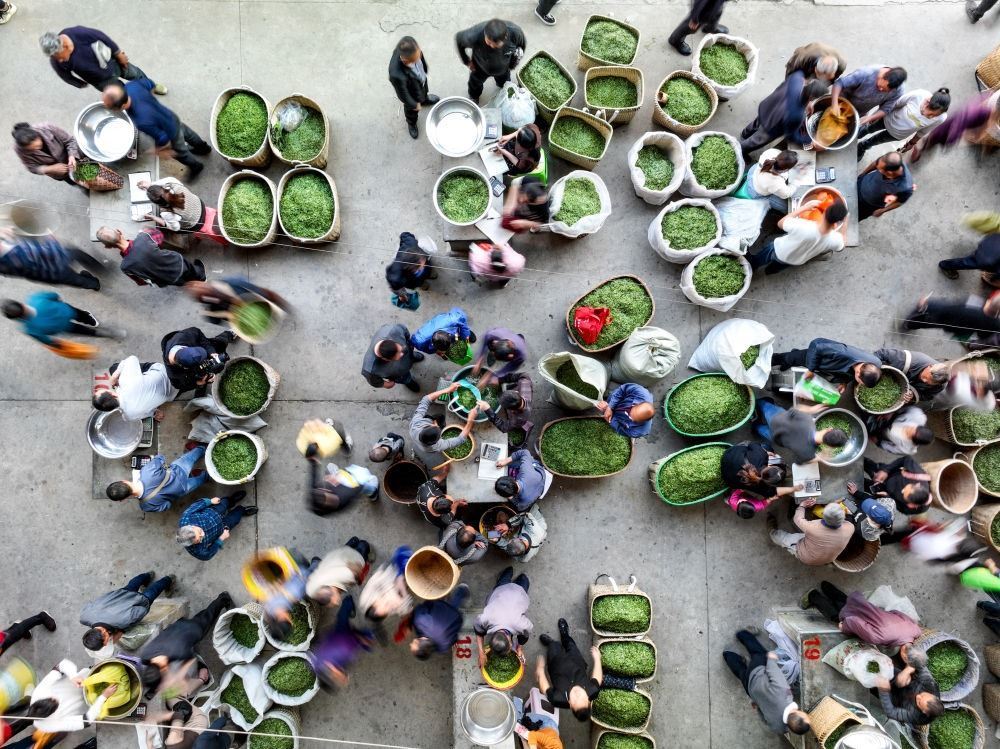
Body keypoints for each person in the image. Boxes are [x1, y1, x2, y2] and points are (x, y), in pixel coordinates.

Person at [102, 82, 209, 177]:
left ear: (122, 106)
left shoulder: (140, 121)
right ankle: (204, 148)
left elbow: (163, 138)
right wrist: (150, 102)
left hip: (171, 133)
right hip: (170, 116)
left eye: (110, 107)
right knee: (188, 133)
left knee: (181, 153)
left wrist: (159, 151)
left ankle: (196, 167)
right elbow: (151, 84)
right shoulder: (132, 86)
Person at [722, 630, 811, 735]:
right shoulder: (778, 729)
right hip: (751, 691)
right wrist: (758, 706)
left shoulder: (784, 693)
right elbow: (763, 718)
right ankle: (728, 655)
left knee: (758, 652)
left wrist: (771, 659)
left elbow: (773, 671)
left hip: (756, 673)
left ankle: (742, 634)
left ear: (798, 712)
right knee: (741, 672)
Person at [7, 660, 113, 749]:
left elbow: (60, 666)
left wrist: (73, 675)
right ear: (51, 714)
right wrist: (104, 696)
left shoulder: (39, 693)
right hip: (88, 700)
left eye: (51, 699)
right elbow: (87, 720)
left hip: (82, 679)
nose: (56, 698)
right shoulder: (52, 725)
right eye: (56, 703)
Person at [139, 593, 233, 688]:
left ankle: (223, 598)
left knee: (208, 617)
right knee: (200, 618)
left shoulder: (180, 652)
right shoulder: (145, 656)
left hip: (193, 630)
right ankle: (210, 609)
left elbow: (190, 660)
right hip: (176, 627)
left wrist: (179, 676)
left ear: (163, 673)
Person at [41, 26, 162, 92]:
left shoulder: (77, 33)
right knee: (123, 93)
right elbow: (65, 76)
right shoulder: (55, 60)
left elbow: (102, 37)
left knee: (135, 74)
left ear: (64, 46)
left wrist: (119, 54)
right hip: (100, 81)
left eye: (59, 57)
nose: (59, 61)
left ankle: (151, 86)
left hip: (114, 63)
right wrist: (79, 83)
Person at [80, 572, 175, 656]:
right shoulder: (84, 617)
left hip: (140, 600)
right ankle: (148, 575)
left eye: (104, 643)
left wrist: (122, 631)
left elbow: (142, 610)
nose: (106, 645)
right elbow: (91, 605)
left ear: (104, 633)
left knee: (153, 591)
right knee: (133, 584)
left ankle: (168, 579)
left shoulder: (124, 620)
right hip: (120, 593)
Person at [800, 581, 921, 646]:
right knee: (837, 616)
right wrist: (844, 627)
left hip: (870, 610)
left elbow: (896, 612)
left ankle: (826, 587)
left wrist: (881, 617)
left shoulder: (916, 630)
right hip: (857, 618)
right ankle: (813, 596)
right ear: (904, 655)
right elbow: (853, 621)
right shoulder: (880, 637)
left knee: (850, 602)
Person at [749, 200, 847, 275]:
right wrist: (845, 223)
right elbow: (841, 246)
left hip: (780, 250)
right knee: (779, 266)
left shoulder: (803, 225)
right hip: (796, 260)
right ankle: (770, 271)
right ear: (836, 224)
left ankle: (752, 265)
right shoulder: (836, 239)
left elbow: (780, 223)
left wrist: (804, 207)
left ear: (824, 213)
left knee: (763, 257)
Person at [739, 73, 827, 155]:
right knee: (755, 141)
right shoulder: (797, 114)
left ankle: (745, 133)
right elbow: (791, 135)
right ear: (811, 97)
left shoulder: (797, 78)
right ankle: (740, 150)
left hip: (768, 108)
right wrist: (809, 141)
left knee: (756, 123)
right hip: (772, 127)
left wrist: (808, 102)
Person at [3, 293, 118, 355]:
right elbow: (55, 296)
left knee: (84, 331)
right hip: (68, 311)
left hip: (66, 328)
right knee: (81, 315)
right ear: (21, 304)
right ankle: (91, 321)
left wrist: (59, 346)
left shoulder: (29, 329)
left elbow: (48, 341)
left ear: (17, 319)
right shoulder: (36, 299)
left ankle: (99, 333)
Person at [105, 445, 208, 512]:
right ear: (124, 481)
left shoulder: (146, 506)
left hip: (182, 489)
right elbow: (160, 458)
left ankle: (205, 475)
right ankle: (203, 449)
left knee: (199, 480)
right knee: (191, 457)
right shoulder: (147, 471)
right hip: (179, 470)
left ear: (123, 500)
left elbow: (167, 505)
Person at [535, 618, 602, 721]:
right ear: (588, 700)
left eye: (575, 700)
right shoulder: (593, 691)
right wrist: (597, 659)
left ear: (570, 705)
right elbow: (597, 678)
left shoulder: (558, 699)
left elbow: (545, 689)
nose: (577, 695)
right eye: (582, 698)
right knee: (570, 644)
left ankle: (550, 643)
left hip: (556, 663)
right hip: (576, 660)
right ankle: (564, 634)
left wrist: (540, 670)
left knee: (554, 647)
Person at [96, 225, 205, 287]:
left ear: (108, 247)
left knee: (182, 282)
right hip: (177, 263)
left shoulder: (125, 267)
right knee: (193, 270)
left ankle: (190, 284)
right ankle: (201, 277)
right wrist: (145, 231)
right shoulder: (143, 238)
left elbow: (141, 282)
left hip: (168, 279)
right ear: (119, 232)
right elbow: (159, 235)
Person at [857, 88, 950, 159]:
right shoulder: (919, 95)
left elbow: (923, 131)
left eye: (933, 115)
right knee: (869, 128)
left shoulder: (941, 118)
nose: (928, 116)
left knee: (875, 141)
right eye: (930, 112)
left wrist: (912, 143)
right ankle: (856, 135)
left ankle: (862, 146)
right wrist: (876, 115)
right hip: (886, 120)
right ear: (928, 101)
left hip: (896, 135)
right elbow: (896, 103)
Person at [409, 385, 477, 476]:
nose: (436, 424)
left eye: (435, 426)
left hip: (424, 425)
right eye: (437, 427)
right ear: (437, 441)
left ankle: (439, 420)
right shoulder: (436, 447)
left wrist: (448, 389)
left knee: (439, 417)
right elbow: (460, 439)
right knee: (440, 419)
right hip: (425, 444)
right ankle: (441, 422)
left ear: (426, 426)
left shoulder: (416, 423)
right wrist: (470, 420)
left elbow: (426, 399)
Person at [0, 230, 101, 291]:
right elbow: (47, 253)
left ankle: (91, 281)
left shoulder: (3, 264)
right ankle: (95, 282)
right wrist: (51, 240)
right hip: (54, 268)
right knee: (77, 256)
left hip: (45, 275)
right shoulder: (20, 255)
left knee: (75, 278)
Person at [310, 594, 374, 689]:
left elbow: (355, 638)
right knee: (341, 620)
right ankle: (347, 602)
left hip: (343, 637)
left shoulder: (345, 649)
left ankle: (372, 630)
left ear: (333, 675)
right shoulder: (317, 665)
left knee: (366, 638)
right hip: (332, 638)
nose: (345, 680)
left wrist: (364, 640)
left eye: (340, 680)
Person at [754, 399, 847, 463]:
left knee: (766, 407)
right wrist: (820, 458)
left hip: (776, 418)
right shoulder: (808, 452)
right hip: (777, 438)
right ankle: (756, 425)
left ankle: (757, 402)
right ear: (829, 445)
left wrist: (811, 409)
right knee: (762, 430)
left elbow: (794, 409)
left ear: (829, 429)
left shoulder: (807, 420)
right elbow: (800, 462)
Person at [910, 92, 996, 162]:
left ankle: (924, 145)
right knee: (936, 137)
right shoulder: (984, 113)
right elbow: (968, 126)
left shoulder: (986, 98)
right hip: (953, 127)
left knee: (937, 135)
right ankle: (921, 147)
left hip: (954, 121)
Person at [455, 19, 526, 103]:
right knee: (475, 84)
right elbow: (459, 39)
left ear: (506, 37)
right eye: (489, 42)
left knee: (504, 83)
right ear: (485, 34)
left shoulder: (515, 33)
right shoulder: (474, 35)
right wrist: (466, 61)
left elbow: (522, 45)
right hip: (480, 67)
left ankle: (503, 87)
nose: (492, 46)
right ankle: (474, 97)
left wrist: (513, 62)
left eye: (496, 45)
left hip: (504, 68)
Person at [475, 566, 533, 668]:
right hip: (501, 591)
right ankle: (513, 573)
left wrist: (519, 649)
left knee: (521, 583)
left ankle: (519, 576)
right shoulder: (486, 618)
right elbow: (478, 631)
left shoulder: (520, 624)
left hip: (517, 592)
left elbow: (526, 633)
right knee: (503, 582)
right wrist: (481, 653)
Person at [768, 499, 854, 565]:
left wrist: (802, 506)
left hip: (806, 556)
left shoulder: (813, 527)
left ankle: (772, 532)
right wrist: (846, 512)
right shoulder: (850, 527)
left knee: (783, 538)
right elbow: (849, 517)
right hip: (827, 559)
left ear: (822, 515)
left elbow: (797, 519)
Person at [92, 355, 177, 422]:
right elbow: (132, 359)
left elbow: (150, 413)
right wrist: (114, 376)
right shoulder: (126, 381)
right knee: (114, 368)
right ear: (112, 394)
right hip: (166, 373)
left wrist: (154, 413)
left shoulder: (128, 417)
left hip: (173, 393)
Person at [773, 337, 883, 387]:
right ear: (858, 373)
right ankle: (776, 359)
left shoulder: (876, 363)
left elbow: (849, 374)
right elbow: (816, 345)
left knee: (799, 360)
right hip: (818, 354)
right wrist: (811, 370)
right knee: (790, 358)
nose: (859, 384)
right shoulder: (842, 352)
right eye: (860, 382)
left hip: (828, 365)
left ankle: (795, 356)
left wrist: (844, 383)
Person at [176, 493, 256, 561]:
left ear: (190, 526)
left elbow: (197, 506)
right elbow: (207, 555)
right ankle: (242, 510)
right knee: (234, 519)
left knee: (225, 502)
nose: (203, 534)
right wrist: (220, 539)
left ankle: (232, 500)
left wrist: (210, 501)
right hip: (221, 529)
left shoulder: (186, 517)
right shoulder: (196, 550)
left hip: (214, 511)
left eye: (199, 531)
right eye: (199, 539)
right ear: (191, 544)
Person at [358, 547, 413, 644]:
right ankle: (377, 628)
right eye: (387, 607)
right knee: (376, 620)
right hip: (396, 585)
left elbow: (381, 575)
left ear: (374, 603)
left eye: (383, 605)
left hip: (390, 572)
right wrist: (403, 592)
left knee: (401, 557)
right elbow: (406, 607)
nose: (387, 605)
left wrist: (398, 577)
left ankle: (376, 627)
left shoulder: (366, 597)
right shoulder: (390, 607)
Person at [876, 648, 944, 726]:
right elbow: (921, 666)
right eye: (923, 695)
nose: (918, 696)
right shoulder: (931, 686)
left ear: (924, 711)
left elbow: (891, 712)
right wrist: (909, 668)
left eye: (919, 702)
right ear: (933, 695)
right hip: (905, 683)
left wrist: (884, 690)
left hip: (895, 699)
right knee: (884, 667)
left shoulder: (915, 716)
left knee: (876, 687)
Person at [388, 36, 440, 140]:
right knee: (411, 110)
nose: (420, 55)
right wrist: (413, 104)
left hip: (420, 80)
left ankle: (424, 99)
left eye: (419, 53)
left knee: (423, 91)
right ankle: (411, 123)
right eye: (417, 58)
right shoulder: (396, 74)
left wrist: (424, 70)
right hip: (411, 92)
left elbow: (419, 55)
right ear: (406, 61)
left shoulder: (411, 46)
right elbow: (403, 93)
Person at [902, 291, 1000, 344]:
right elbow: (983, 335)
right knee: (935, 323)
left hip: (946, 318)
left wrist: (928, 303)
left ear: (990, 301)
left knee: (928, 321)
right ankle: (911, 324)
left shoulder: (971, 304)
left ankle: (909, 324)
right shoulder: (995, 324)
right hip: (956, 328)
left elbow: (947, 308)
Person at [185, 277, 289, 326]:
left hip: (249, 296)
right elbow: (216, 318)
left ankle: (281, 309)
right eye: (204, 296)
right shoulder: (210, 301)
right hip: (237, 309)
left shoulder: (234, 284)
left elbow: (264, 293)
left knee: (266, 297)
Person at [160, 327, 235, 393]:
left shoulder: (186, 336)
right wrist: (198, 383)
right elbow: (177, 385)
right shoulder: (174, 374)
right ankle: (202, 386)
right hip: (195, 374)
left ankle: (230, 334)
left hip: (199, 347)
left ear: (186, 348)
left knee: (218, 342)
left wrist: (211, 352)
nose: (206, 361)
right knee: (203, 378)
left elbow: (198, 334)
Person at [721, 441, 800, 501]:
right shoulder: (759, 485)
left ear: (770, 466)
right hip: (728, 479)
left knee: (766, 446)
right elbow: (773, 492)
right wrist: (794, 489)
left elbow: (752, 444)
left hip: (728, 455)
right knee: (768, 447)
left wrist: (765, 452)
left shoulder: (760, 455)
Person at [306, 538, 372, 608]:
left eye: (336, 602)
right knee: (344, 551)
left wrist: (356, 577)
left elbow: (357, 568)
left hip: (351, 557)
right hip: (336, 556)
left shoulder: (347, 574)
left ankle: (363, 545)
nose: (338, 602)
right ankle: (353, 541)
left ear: (332, 591)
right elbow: (310, 590)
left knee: (361, 551)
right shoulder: (311, 589)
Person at [408, 584, 469, 659]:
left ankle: (463, 589)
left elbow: (455, 637)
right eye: (414, 642)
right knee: (439, 598)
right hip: (440, 606)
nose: (410, 644)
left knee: (455, 603)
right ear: (422, 639)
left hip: (455, 617)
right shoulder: (420, 620)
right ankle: (447, 589)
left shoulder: (443, 648)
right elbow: (420, 608)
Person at [831, 65, 907, 126]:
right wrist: (834, 104)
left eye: (884, 90)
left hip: (859, 111)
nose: (880, 90)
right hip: (841, 100)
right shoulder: (866, 73)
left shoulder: (898, 91)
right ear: (883, 76)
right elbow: (839, 83)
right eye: (879, 86)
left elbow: (886, 109)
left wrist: (870, 118)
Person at [11, 122, 82, 185]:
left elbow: (70, 141)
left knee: (85, 173)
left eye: (38, 146)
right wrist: (50, 169)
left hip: (76, 159)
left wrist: (72, 155)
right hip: (61, 173)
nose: (37, 149)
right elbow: (31, 167)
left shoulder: (48, 128)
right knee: (74, 181)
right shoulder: (19, 149)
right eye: (32, 149)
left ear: (38, 136)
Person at [138, 176, 211, 236]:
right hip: (200, 204)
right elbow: (160, 186)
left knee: (172, 229)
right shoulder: (172, 181)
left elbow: (175, 228)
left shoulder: (166, 213)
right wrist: (150, 186)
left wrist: (153, 217)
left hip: (197, 223)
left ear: (158, 204)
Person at [362, 322, 424, 391]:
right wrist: (387, 384)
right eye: (398, 356)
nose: (402, 354)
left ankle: (412, 357)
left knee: (408, 352)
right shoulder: (369, 369)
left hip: (408, 355)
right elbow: (375, 381)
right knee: (405, 378)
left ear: (390, 340)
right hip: (399, 375)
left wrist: (410, 346)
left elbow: (405, 333)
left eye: (400, 350)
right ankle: (408, 381)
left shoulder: (393, 329)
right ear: (385, 359)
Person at [874, 347, 950, 403]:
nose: (924, 380)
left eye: (928, 382)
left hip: (899, 388)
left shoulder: (940, 384)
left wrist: (913, 394)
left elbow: (927, 396)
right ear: (929, 367)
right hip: (886, 374)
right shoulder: (904, 360)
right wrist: (872, 370)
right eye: (925, 377)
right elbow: (880, 353)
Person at [734, 149, 798, 212]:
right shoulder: (775, 182)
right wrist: (797, 181)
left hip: (753, 172)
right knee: (786, 207)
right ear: (786, 169)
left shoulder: (772, 152)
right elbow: (786, 194)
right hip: (755, 192)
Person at [864, 456, 932, 515]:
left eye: (904, 494)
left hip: (880, 490)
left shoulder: (919, 509)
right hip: (887, 473)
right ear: (917, 485)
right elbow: (906, 459)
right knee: (865, 463)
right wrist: (886, 470)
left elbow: (902, 509)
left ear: (911, 505)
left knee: (862, 484)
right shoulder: (918, 474)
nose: (902, 490)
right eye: (907, 487)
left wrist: (888, 498)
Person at [856, 152, 914, 221]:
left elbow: (900, 202)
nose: (877, 168)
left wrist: (882, 210)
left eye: (880, 169)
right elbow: (875, 163)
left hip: (868, 205)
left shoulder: (905, 188)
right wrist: (863, 174)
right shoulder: (887, 160)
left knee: (854, 216)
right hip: (861, 183)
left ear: (889, 173)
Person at [385, 232, 435, 309]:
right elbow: (395, 288)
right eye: (421, 264)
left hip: (422, 272)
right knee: (420, 282)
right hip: (413, 282)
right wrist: (401, 295)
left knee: (427, 269)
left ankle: (429, 275)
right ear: (412, 268)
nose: (423, 261)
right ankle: (422, 284)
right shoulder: (396, 277)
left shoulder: (411, 244)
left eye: (422, 258)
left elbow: (404, 235)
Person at [479, 371, 533, 436]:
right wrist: (500, 380)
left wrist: (488, 410)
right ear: (516, 392)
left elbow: (503, 428)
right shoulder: (524, 382)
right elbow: (524, 374)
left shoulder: (518, 419)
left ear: (511, 410)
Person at [410, 307, 476, 358]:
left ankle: (464, 334)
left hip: (444, 322)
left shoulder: (455, 319)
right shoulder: (419, 341)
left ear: (449, 335)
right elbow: (425, 348)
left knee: (462, 333)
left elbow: (462, 323)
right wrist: (436, 352)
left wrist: (466, 337)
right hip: (430, 335)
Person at [867, 406, 932, 455]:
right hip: (891, 418)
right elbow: (904, 408)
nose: (907, 429)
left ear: (914, 442)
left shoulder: (908, 449)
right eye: (912, 428)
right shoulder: (917, 415)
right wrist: (891, 413)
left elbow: (890, 448)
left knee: (870, 431)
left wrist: (878, 442)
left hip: (884, 434)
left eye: (909, 433)